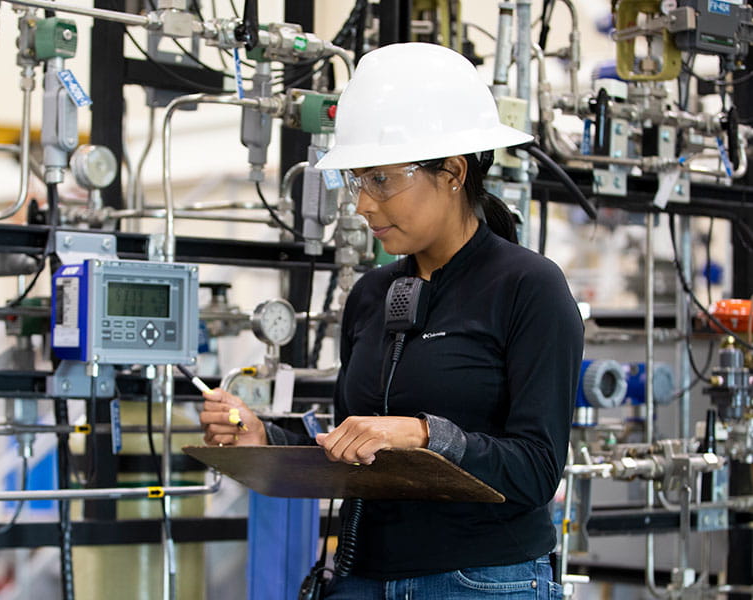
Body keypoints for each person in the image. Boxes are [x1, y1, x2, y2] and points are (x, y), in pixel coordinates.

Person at [198, 42, 584, 599]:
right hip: (365, 577)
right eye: (358, 181)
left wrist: (427, 434)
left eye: (380, 180)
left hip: (480, 582)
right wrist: (263, 437)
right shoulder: (373, 294)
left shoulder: (529, 288)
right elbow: (348, 446)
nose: (363, 205)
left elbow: (536, 469)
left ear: (452, 172)